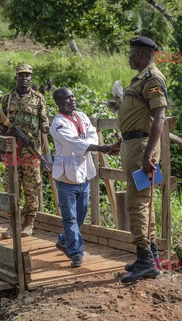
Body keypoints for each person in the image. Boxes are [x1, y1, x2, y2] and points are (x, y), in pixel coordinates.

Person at [112, 36, 168, 283]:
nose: (128, 58)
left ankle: (146, 262)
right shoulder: (141, 79)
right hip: (131, 144)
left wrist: (148, 155)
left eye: (130, 53)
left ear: (139, 55)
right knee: (143, 202)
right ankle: (150, 256)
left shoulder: (152, 78)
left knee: (136, 203)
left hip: (141, 147)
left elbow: (160, 118)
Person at [50, 88, 119, 267]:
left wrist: (90, 144)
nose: (72, 100)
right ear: (58, 103)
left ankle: (64, 240)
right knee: (70, 218)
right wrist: (101, 148)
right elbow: (74, 143)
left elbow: (91, 134)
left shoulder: (81, 116)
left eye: (72, 96)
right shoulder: (57, 124)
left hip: (84, 174)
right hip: (66, 177)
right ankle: (76, 253)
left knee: (80, 215)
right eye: (67, 98)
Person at [0, 64, 50, 239]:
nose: (24, 78)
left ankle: (29, 222)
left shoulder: (39, 99)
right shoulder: (7, 99)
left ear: (31, 78)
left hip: (30, 149)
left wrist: (47, 128)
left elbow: (44, 121)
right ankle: (13, 223)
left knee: (32, 184)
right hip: (12, 148)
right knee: (10, 185)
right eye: (21, 75)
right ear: (16, 78)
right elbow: (1, 124)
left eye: (27, 76)